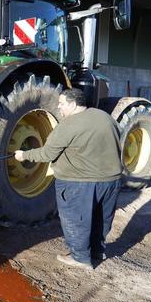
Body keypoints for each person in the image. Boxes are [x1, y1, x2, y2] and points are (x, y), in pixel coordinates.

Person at [14, 88, 122, 270]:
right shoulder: (104, 117)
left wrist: (24, 155)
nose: (60, 107)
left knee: (76, 219)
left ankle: (80, 258)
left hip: (79, 182)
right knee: (101, 218)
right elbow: (118, 137)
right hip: (111, 180)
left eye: (62, 104)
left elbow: (47, 153)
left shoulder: (68, 124)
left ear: (73, 104)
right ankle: (97, 251)